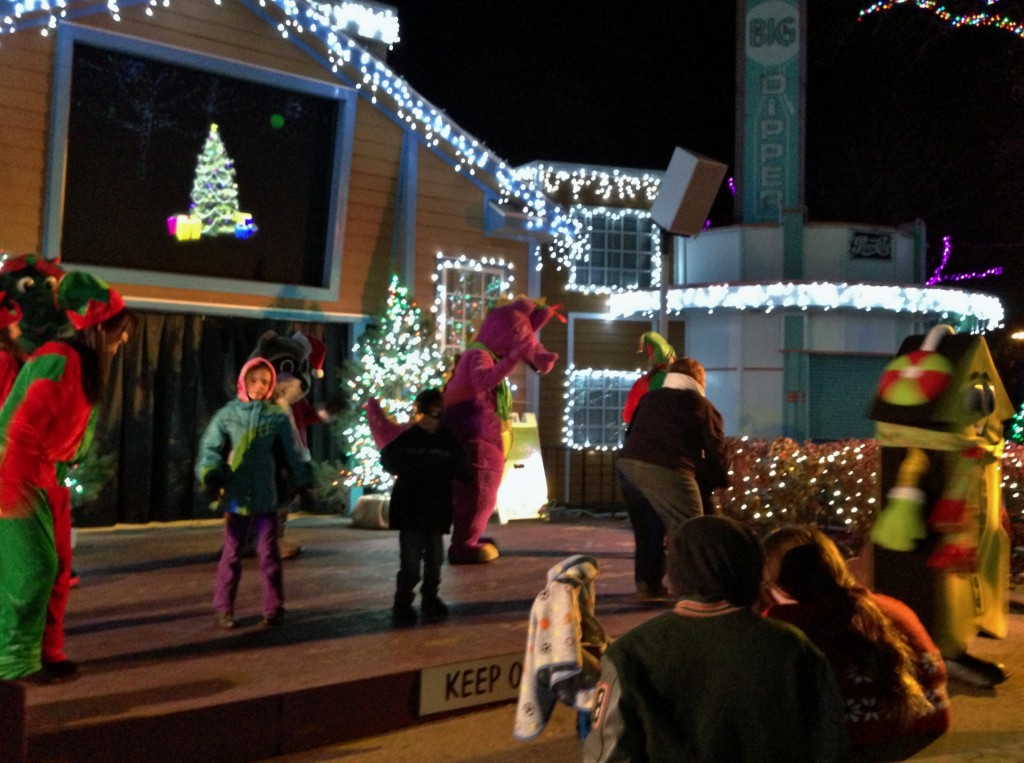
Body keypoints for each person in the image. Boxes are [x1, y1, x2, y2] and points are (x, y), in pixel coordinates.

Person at [582, 515, 849, 762]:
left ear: (674, 576)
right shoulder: (793, 647)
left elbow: (609, 754)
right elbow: (828, 746)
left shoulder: (630, 653)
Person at [0, 272, 133, 682]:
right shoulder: (59, 357)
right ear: (97, 327)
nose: (123, 340)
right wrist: (11, 486)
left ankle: (46, 652)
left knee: (56, 570)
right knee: (32, 570)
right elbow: (24, 426)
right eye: (119, 331)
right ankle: (13, 663)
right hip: (17, 473)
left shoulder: (82, 365)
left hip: (47, 478)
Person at [762, 524, 951, 751]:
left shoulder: (788, 623)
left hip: (858, 739)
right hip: (926, 722)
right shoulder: (890, 608)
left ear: (781, 583)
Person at [196, 356, 312, 630]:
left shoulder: (276, 417)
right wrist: (210, 475)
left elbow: (292, 452)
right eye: (254, 381)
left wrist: (302, 480)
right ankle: (224, 607)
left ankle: (274, 607)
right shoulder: (228, 414)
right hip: (237, 498)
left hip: (265, 498)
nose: (259, 386)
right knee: (232, 554)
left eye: (265, 381)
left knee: (269, 554)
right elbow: (209, 448)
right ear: (243, 382)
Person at [615, 357, 730, 599]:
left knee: (648, 529)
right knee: (690, 528)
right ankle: (694, 590)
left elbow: (631, 431)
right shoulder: (701, 406)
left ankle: (648, 585)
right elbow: (716, 451)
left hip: (628, 465)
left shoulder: (650, 399)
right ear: (699, 380)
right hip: (667, 468)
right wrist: (719, 480)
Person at [380, 388, 470, 626]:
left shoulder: (447, 441)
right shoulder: (408, 440)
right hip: (410, 511)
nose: (426, 421)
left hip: (436, 511)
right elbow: (386, 458)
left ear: (438, 416)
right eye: (422, 415)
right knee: (410, 562)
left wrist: (464, 474)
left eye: (431, 416)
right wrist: (405, 469)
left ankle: (430, 598)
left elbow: (461, 465)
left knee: (434, 560)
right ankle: (403, 601)